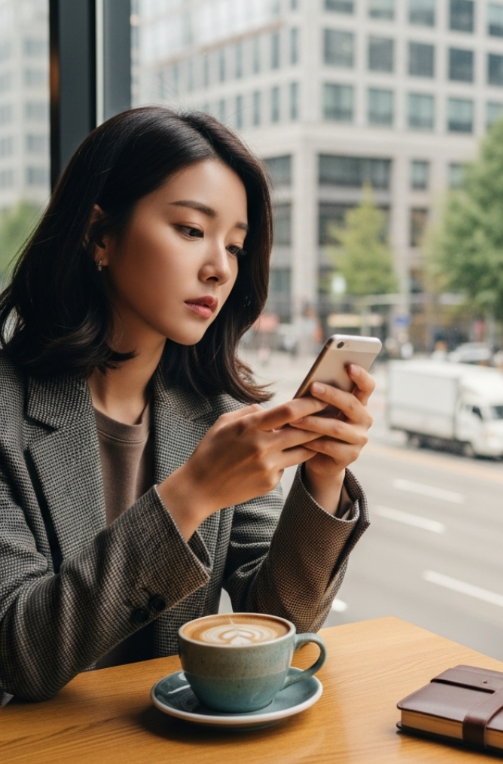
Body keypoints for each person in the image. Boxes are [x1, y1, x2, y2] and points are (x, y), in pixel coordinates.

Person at [0, 107, 373, 703]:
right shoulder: (7, 410)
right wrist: (190, 494)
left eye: (236, 246)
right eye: (192, 230)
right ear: (99, 235)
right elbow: (17, 654)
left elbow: (284, 623)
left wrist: (323, 476)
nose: (220, 268)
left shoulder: (212, 414)